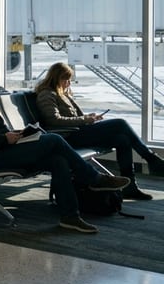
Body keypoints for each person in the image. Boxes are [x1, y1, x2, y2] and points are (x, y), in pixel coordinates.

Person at [0, 68, 129, 233]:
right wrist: (4, 138)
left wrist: (17, 135)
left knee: (59, 161)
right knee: (54, 139)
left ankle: (70, 217)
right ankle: (95, 179)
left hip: (4, 148)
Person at [34, 62, 164, 201]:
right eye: (66, 79)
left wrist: (90, 118)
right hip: (68, 136)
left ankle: (130, 187)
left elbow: (72, 118)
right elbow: (54, 120)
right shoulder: (47, 94)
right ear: (56, 78)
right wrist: (85, 119)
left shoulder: (62, 93)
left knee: (123, 140)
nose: (69, 83)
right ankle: (151, 159)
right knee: (120, 123)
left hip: (78, 131)